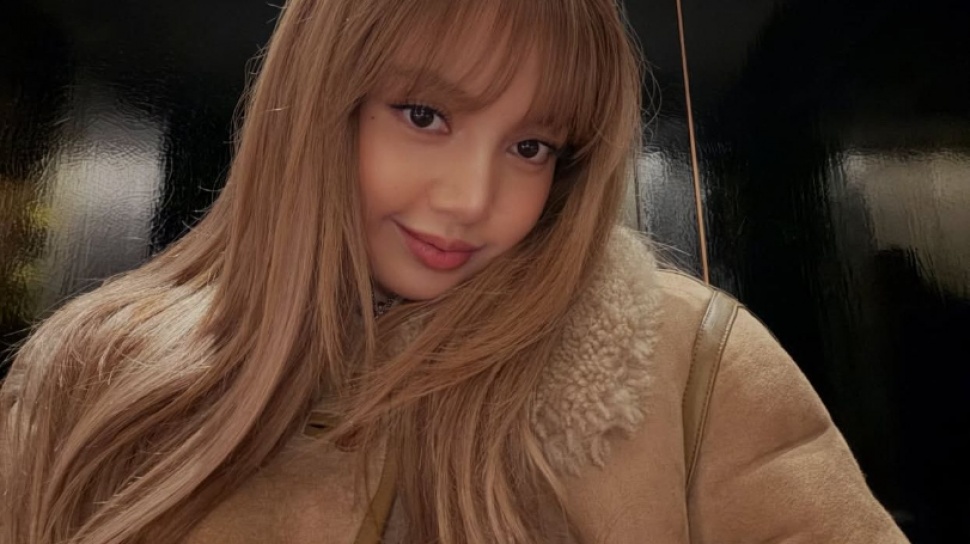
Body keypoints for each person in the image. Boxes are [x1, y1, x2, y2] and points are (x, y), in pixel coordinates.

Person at [0, 0, 908, 542]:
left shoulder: (695, 367)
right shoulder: (89, 374)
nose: (473, 199)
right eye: (425, 115)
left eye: (531, 145)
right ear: (319, 104)